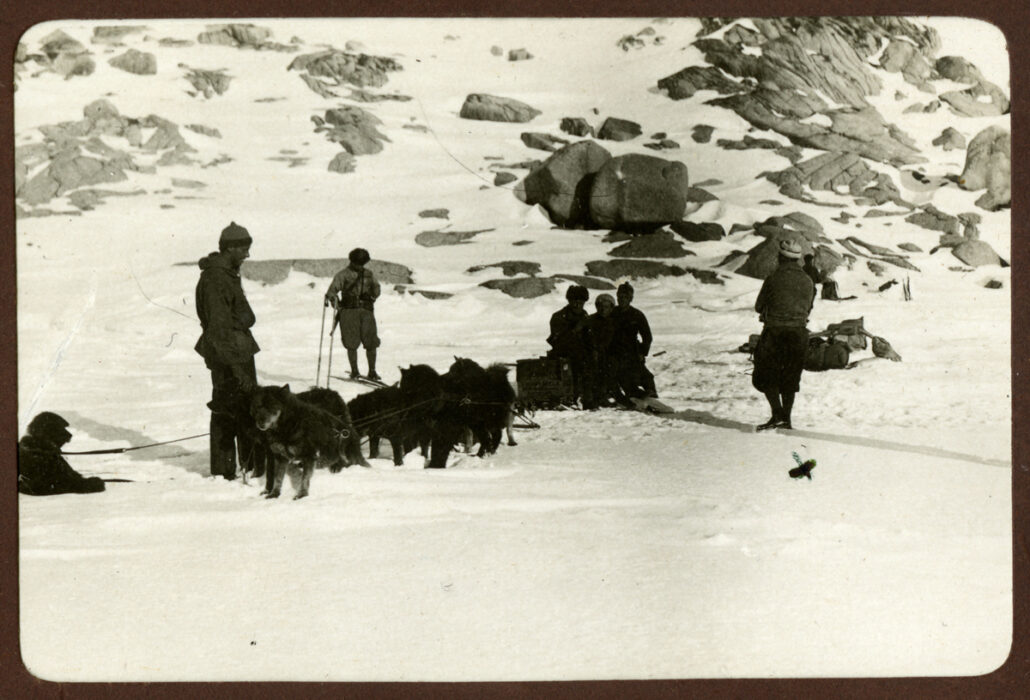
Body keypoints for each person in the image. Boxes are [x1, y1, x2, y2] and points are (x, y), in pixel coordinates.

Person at [195, 221, 267, 480]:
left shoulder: (225, 274)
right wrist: (236, 368)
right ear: (231, 249)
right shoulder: (216, 279)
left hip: (237, 351)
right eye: (244, 249)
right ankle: (226, 471)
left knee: (242, 409)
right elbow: (219, 328)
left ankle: (247, 466)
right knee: (228, 412)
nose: (247, 255)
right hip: (229, 356)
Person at [752, 238, 816, 430]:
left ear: (780, 257)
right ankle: (786, 419)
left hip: (775, 333)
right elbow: (809, 307)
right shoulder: (808, 280)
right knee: (790, 377)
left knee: (766, 374)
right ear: (797, 259)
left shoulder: (773, 278)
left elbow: (758, 306)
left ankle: (777, 414)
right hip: (799, 334)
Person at [325, 248, 381, 381]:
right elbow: (332, 292)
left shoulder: (369, 274)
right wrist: (335, 302)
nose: (360, 266)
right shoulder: (343, 275)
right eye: (358, 263)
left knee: (371, 342)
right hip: (349, 312)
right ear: (352, 261)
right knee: (351, 343)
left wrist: (372, 297)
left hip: (366, 312)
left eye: (362, 263)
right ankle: (355, 371)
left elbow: (377, 289)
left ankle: (372, 371)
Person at [18, 412, 105, 495]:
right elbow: (61, 483)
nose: (66, 441)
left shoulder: (35, 450)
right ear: (50, 433)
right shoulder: (39, 454)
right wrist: (89, 485)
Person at [611, 282, 657, 399]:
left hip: (632, 351)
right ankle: (633, 395)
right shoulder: (612, 313)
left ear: (630, 299)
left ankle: (652, 396)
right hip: (614, 352)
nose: (622, 300)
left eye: (625, 297)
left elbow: (647, 337)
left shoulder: (637, 315)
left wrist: (642, 352)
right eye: (620, 297)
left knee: (646, 376)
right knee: (623, 377)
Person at [581, 293, 626, 409]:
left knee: (609, 371)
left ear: (611, 307)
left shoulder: (616, 322)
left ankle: (603, 396)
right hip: (591, 354)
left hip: (608, 354)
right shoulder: (589, 320)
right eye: (600, 306)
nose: (603, 309)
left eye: (606, 307)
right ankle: (589, 400)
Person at [547, 285, 589, 403]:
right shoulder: (559, 317)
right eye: (574, 301)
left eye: (581, 302)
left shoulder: (584, 316)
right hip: (564, 354)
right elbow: (558, 341)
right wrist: (576, 330)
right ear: (569, 301)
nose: (578, 305)